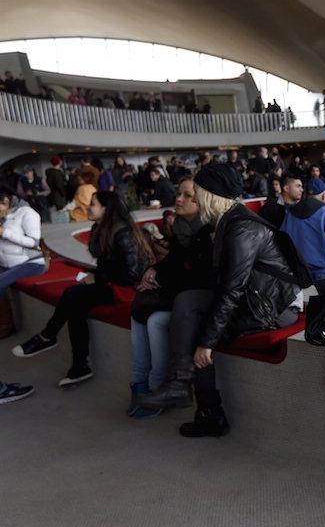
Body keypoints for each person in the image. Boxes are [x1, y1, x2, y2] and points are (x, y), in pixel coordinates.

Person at [133, 164, 306, 437]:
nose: (192, 199)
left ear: (210, 195)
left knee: (198, 325)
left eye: (196, 193)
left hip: (274, 308)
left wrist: (207, 343)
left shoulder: (241, 228)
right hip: (259, 298)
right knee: (189, 302)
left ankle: (206, 409)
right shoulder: (230, 221)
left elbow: (231, 290)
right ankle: (186, 391)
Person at [12, 192, 151, 386]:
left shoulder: (123, 233)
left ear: (106, 209)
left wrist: (97, 277)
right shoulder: (103, 229)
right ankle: (79, 367)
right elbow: (108, 266)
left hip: (128, 289)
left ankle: (48, 336)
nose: (87, 206)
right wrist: (95, 277)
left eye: (92, 204)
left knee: (71, 294)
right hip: (114, 283)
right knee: (75, 305)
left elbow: (132, 274)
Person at [129, 178, 214, 419]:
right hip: (183, 295)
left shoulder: (210, 231)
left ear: (201, 203)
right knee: (139, 310)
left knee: (154, 318)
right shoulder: (181, 228)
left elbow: (201, 277)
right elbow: (175, 263)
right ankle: (140, 383)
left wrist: (161, 280)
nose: (179, 199)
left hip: (198, 300)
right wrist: (154, 271)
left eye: (187, 195)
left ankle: (158, 386)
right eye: (178, 193)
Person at [0, 189, 47, 338]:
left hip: (30, 263)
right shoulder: (3, 215)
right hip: (6, 263)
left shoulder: (27, 213)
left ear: (6, 201)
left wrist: (4, 233)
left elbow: (34, 242)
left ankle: (6, 326)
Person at [278, 178, 325, 281]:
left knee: (308, 297)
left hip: (299, 273)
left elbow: (283, 239)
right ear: (324, 195)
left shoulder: (290, 213)